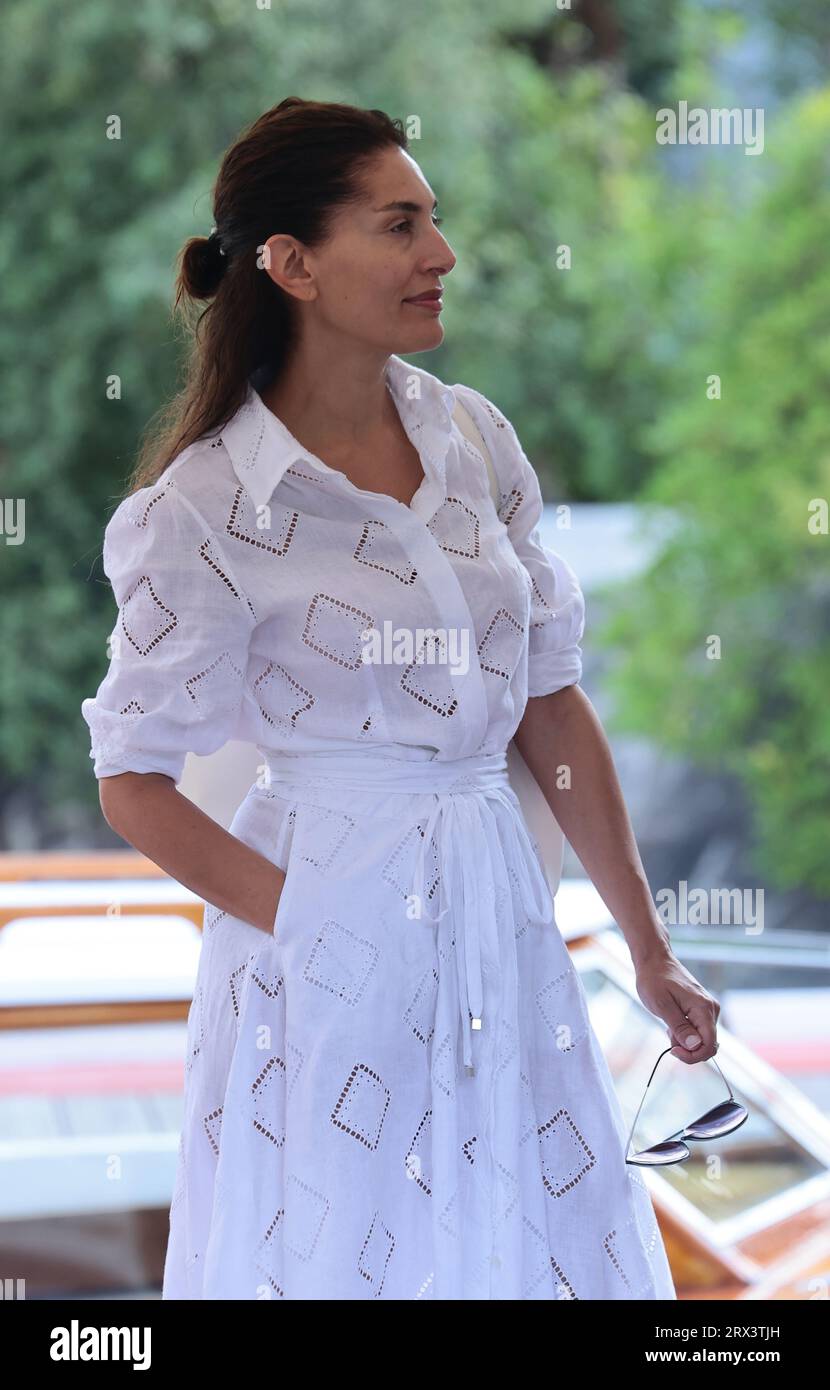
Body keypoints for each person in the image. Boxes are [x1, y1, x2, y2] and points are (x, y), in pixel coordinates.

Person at [82, 98, 717, 1300]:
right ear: (293, 264)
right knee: (342, 1249)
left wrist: (648, 947)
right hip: (315, 936)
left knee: (533, 1239)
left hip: (496, 907)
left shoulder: (474, 437)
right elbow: (130, 779)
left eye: (435, 220)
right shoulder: (202, 509)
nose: (442, 254)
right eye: (400, 223)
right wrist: (313, 921)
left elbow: (548, 706)